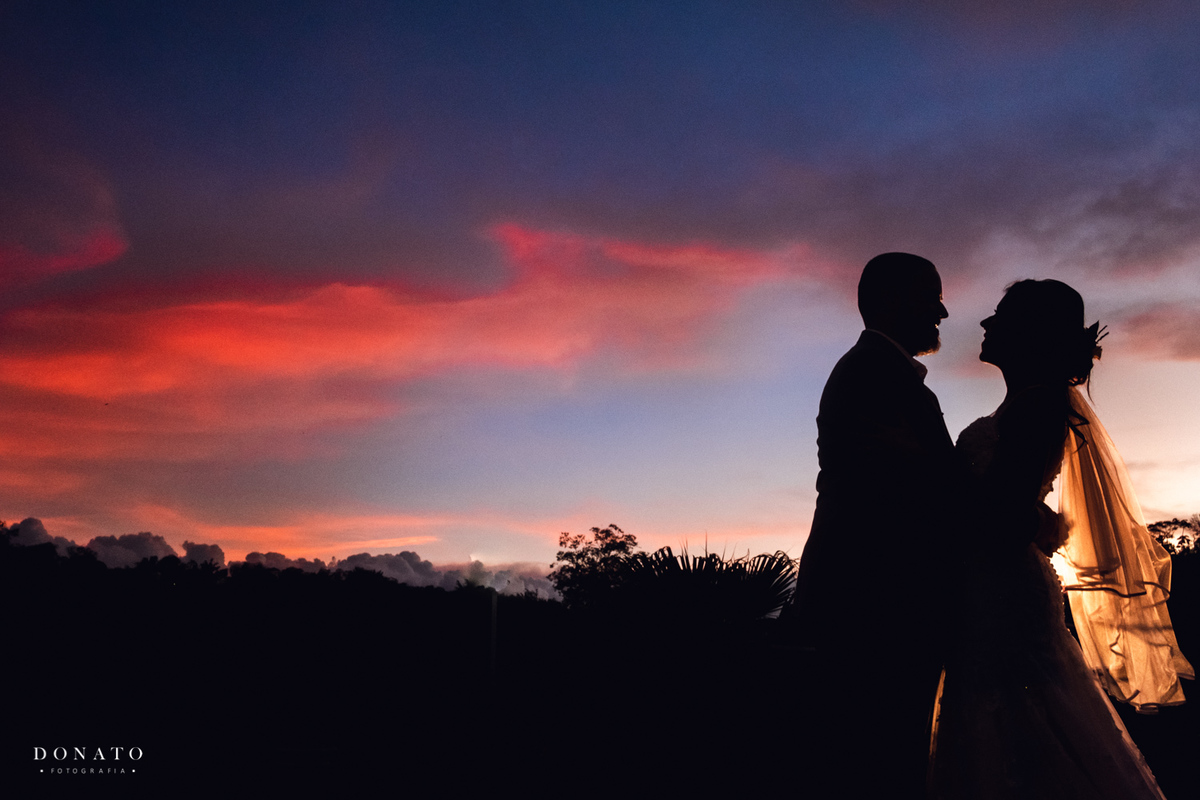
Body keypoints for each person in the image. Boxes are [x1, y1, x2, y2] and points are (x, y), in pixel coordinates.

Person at [929, 279, 1194, 799]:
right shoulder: (1026, 405)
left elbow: (1002, 516)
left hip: (1002, 593)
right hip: (994, 587)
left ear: (1030, 333)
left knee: (1016, 728)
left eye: (1001, 315)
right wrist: (1045, 522)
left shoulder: (1037, 407)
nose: (985, 322)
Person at [791, 252, 961, 799]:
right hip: (873, 599)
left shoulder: (880, 371)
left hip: (873, 597)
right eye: (931, 297)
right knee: (877, 757)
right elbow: (917, 488)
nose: (942, 312)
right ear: (890, 301)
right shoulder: (873, 373)